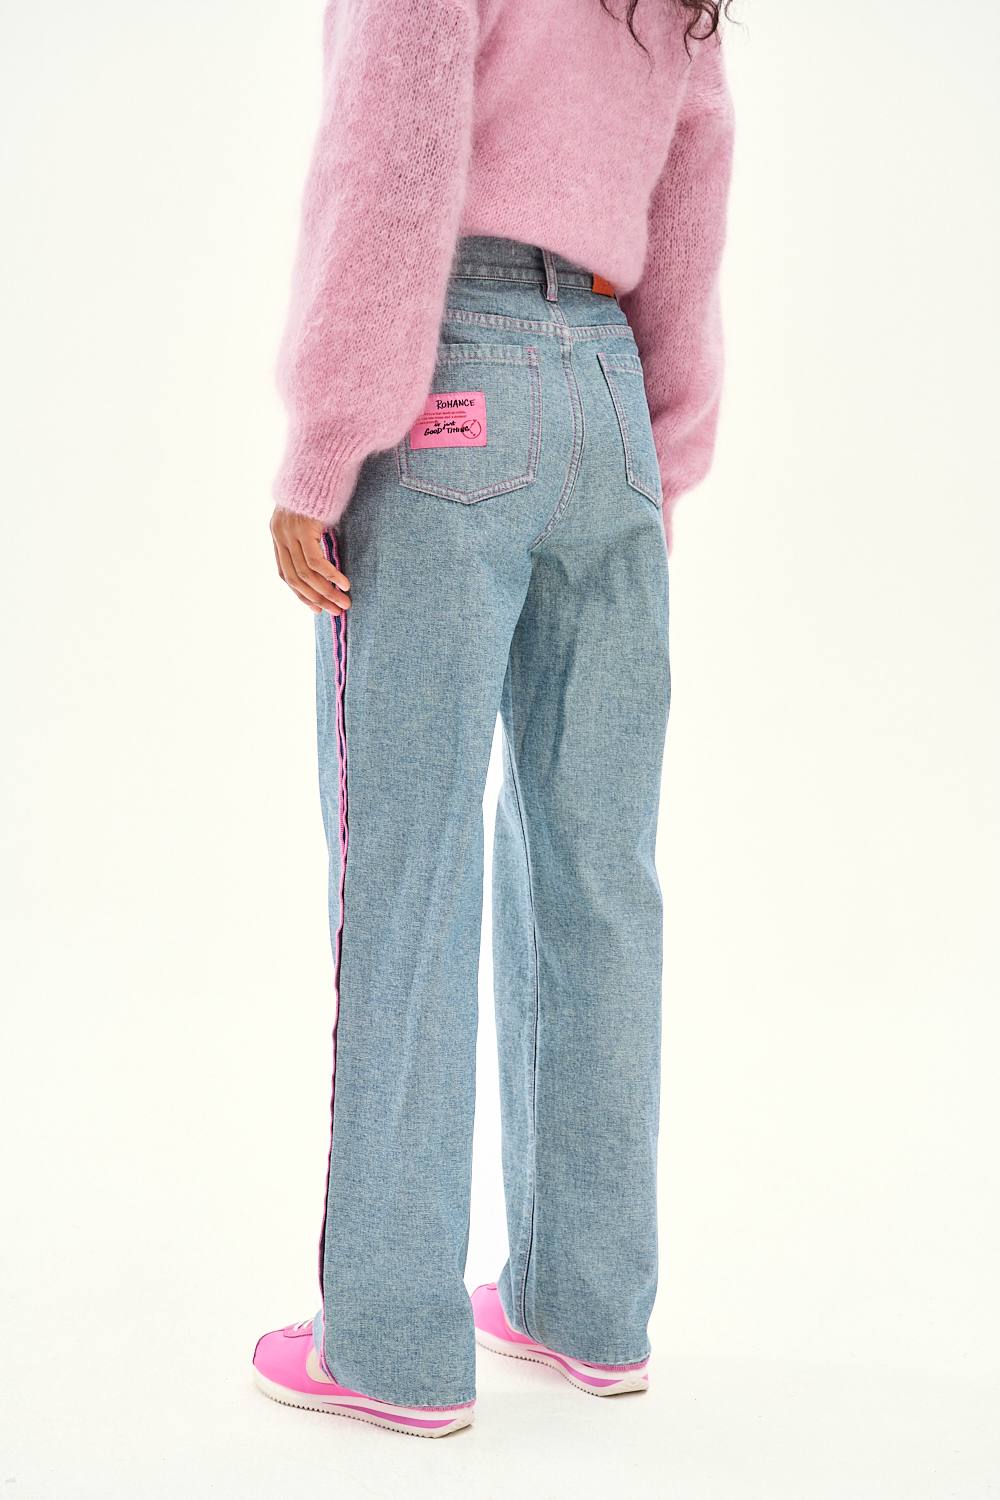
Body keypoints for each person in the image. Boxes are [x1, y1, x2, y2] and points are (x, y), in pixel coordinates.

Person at [252, 0, 734, 1438]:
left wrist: (325, 440)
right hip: (611, 390)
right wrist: (657, 449)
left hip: (446, 380)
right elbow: (695, 186)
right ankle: (585, 1305)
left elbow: (391, 163)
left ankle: (391, 1341)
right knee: (600, 876)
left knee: (404, 872)